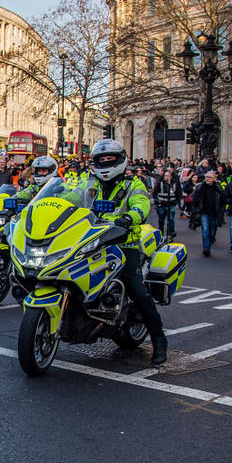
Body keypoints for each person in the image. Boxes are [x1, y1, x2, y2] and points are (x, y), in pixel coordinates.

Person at [73, 140, 168, 365]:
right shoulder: (88, 181)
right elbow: (70, 196)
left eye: (110, 159)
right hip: (91, 240)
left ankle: (159, 339)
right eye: (101, 160)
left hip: (124, 243)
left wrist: (130, 217)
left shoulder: (133, 184)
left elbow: (140, 204)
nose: (105, 163)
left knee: (137, 289)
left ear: (120, 160)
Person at [192, 170, 225, 257]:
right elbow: (195, 199)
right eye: (206, 177)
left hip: (214, 212)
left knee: (212, 232)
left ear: (214, 179)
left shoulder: (218, 188)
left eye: (209, 177)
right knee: (205, 230)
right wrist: (196, 209)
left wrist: (221, 211)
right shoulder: (200, 187)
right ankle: (206, 248)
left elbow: (222, 200)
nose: (207, 179)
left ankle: (209, 244)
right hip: (204, 212)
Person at [152, 168, 182, 241]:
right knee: (161, 220)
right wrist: (157, 200)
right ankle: (161, 234)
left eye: (168, 176)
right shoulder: (160, 183)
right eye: (165, 176)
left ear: (171, 177)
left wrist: (178, 203)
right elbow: (155, 193)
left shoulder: (175, 184)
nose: (167, 178)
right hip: (161, 204)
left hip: (171, 204)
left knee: (171, 219)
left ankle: (170, 234)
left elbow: (178, 193)